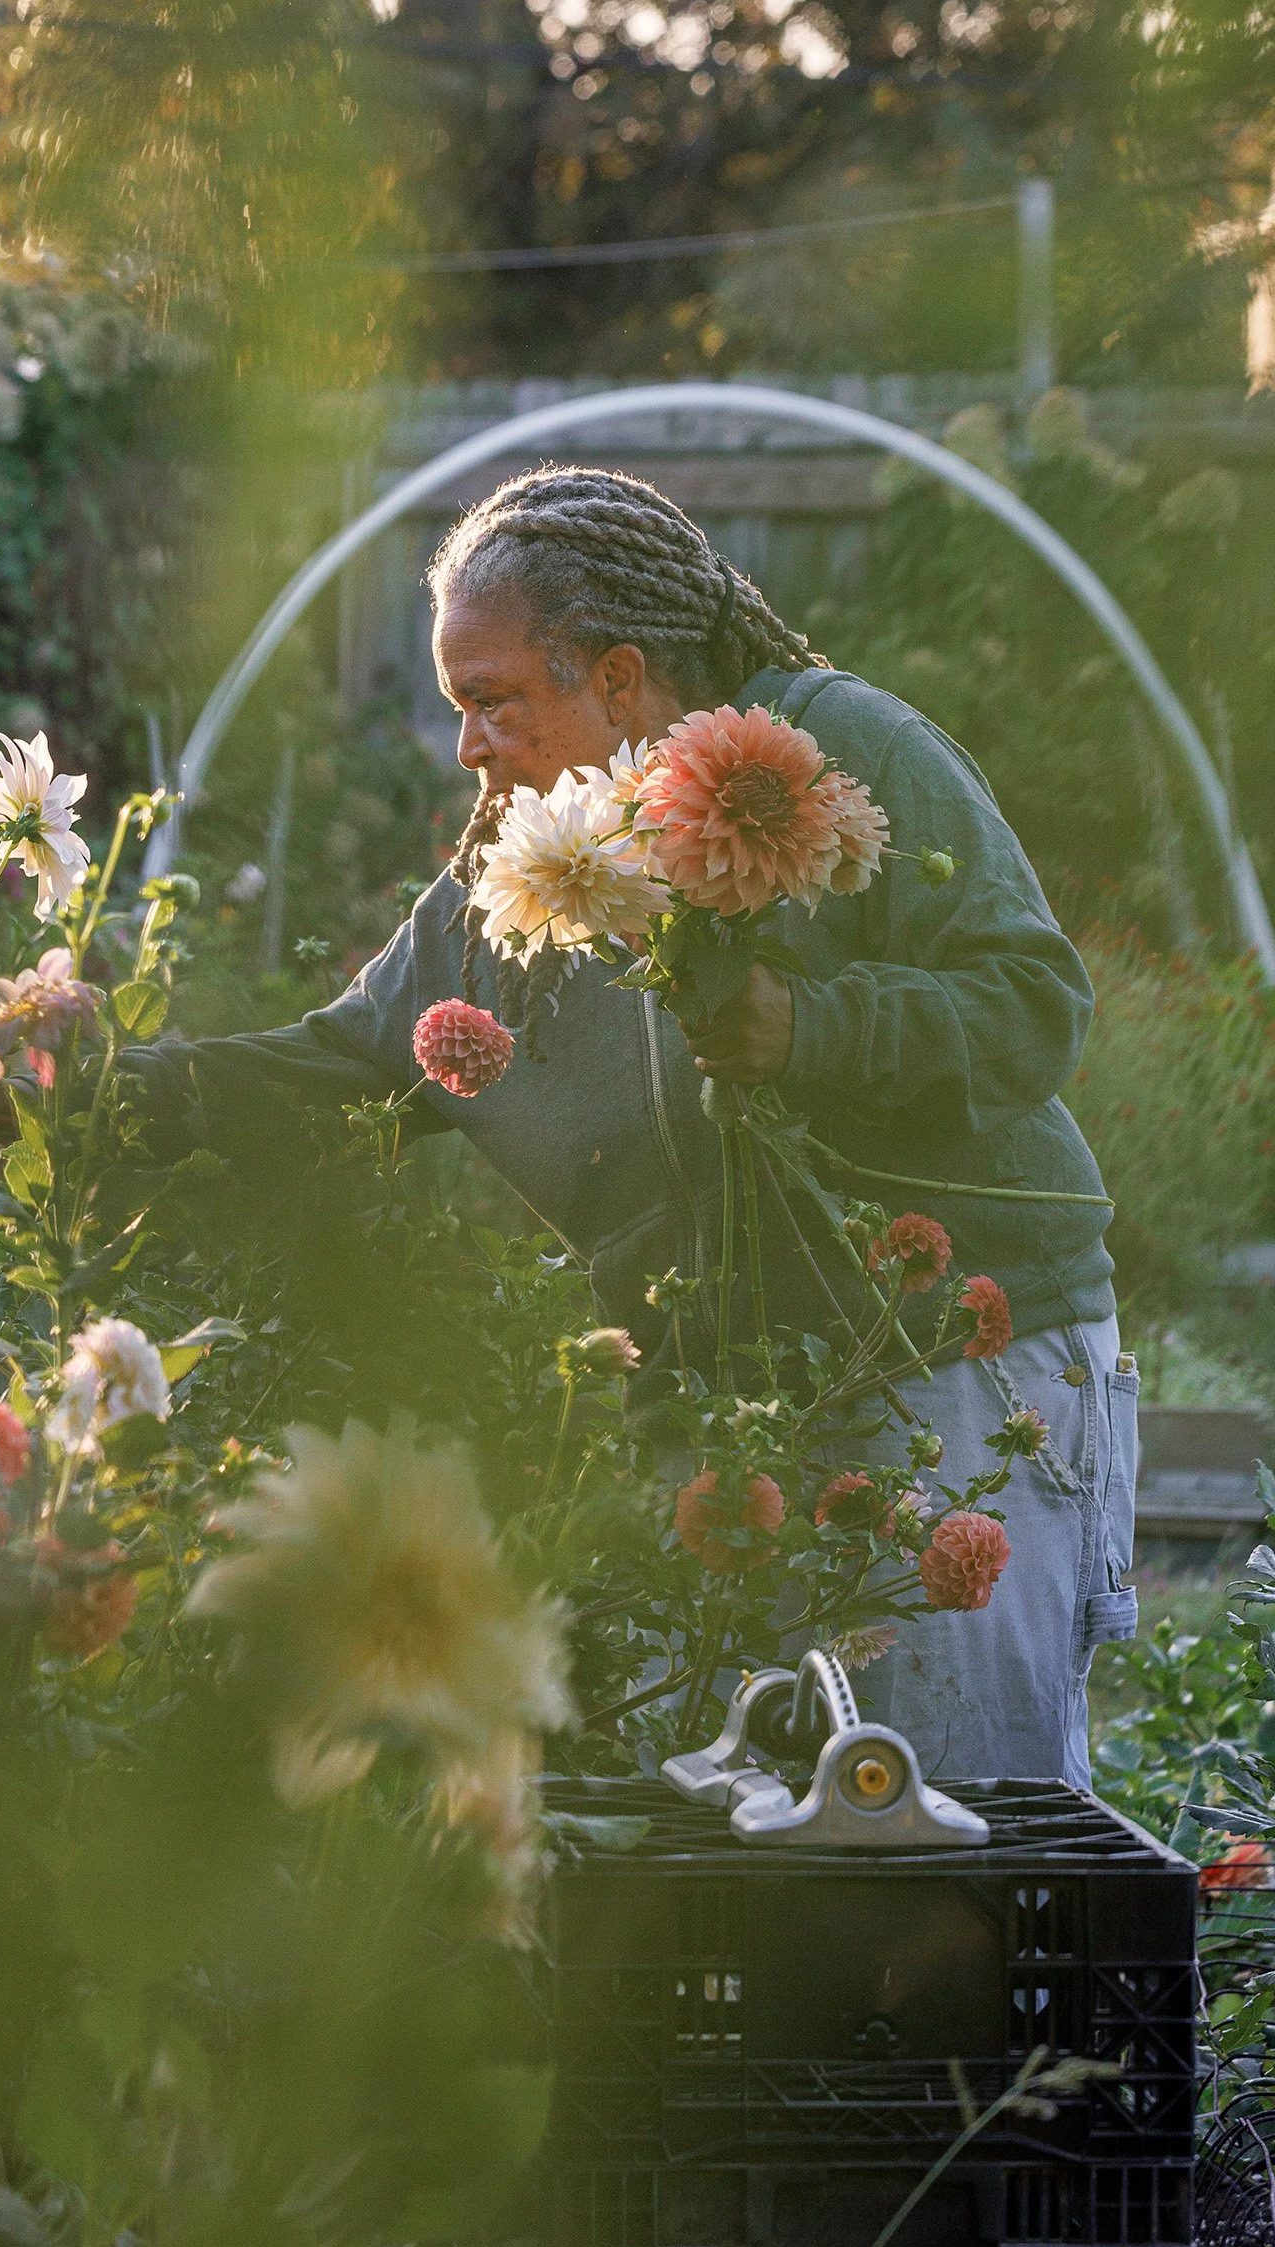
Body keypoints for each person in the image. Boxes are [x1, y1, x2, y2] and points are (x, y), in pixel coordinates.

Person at [128, 465, 1138, 1788]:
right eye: (458, 707)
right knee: (777, 1859)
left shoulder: (835, 750)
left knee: (944, 1837)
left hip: (957, 1365)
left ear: (614, 679)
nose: (469, 745)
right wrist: (109, 1091)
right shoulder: (525, 873)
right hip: (756, 1416)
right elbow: (353, 1056)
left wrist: (812, 1026)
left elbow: (1034, 1002)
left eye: (492, 701)